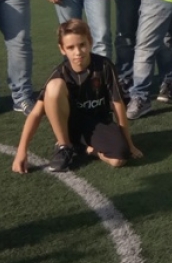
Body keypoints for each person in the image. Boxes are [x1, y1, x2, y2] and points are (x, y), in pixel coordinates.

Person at [12, 19, 142, 173]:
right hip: (71, 126)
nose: (78, 52)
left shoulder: (104, 66)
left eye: (82, 45)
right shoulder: (60, 72)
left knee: (118, 159)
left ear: (90, 42)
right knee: (54, 87)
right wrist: (21, 151)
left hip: (98, 123)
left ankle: (84, 149)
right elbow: (35, 113)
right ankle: (64, 146)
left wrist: (130, 145)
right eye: (70, 47)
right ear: (62, 49)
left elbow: (118, 105)